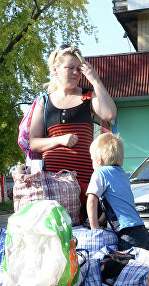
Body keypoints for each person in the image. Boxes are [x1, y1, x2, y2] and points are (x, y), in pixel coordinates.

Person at [28, 44, 116, 223]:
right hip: (53, 185)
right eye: (70, 68)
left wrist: (95, 81)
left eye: (78, 69)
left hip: (85, 185)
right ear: (56, 69)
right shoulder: (44, 102)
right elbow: (34, 143)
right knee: (56, 237)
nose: (75, 73)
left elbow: (109, 114)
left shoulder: (87, 96)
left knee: (84, 237)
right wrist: (60, 140)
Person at [86, 132, 149, 250]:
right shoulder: (122, 174)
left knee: (122, 267)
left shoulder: (100, 173)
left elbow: (91, 200)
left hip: (127, 235)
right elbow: (113, 205)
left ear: (99, 160)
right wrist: (100, 221)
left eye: (92, 160)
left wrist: (94, 227)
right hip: (141, 232)